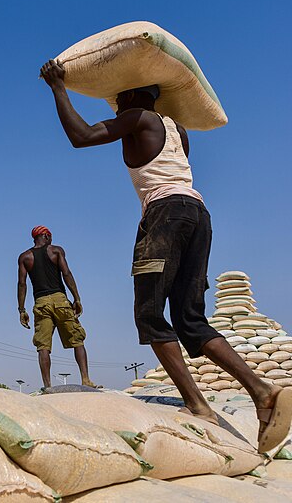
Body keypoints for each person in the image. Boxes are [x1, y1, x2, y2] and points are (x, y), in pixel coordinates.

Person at [39, 58, 291, 452]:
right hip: (197, 213)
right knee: (190, 319)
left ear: (135, 95)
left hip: (165, 215)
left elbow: (82, 136)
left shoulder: (137, 116)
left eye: (120, 97)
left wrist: (58, 88)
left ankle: (198, 405)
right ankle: (262, 391)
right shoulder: (178, 130)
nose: (117, 104)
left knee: (150, 315)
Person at [17, 225, 98, 389]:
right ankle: (86, 380)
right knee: (77, 340)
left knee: (43, 346)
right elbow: (66, 274)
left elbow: (22, 284)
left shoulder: (25, 257)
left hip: (41, 303)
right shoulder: (56, 251)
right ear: (46, 236)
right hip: (60, 300)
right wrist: (77, 298)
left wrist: (22, 309)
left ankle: (48, 386)